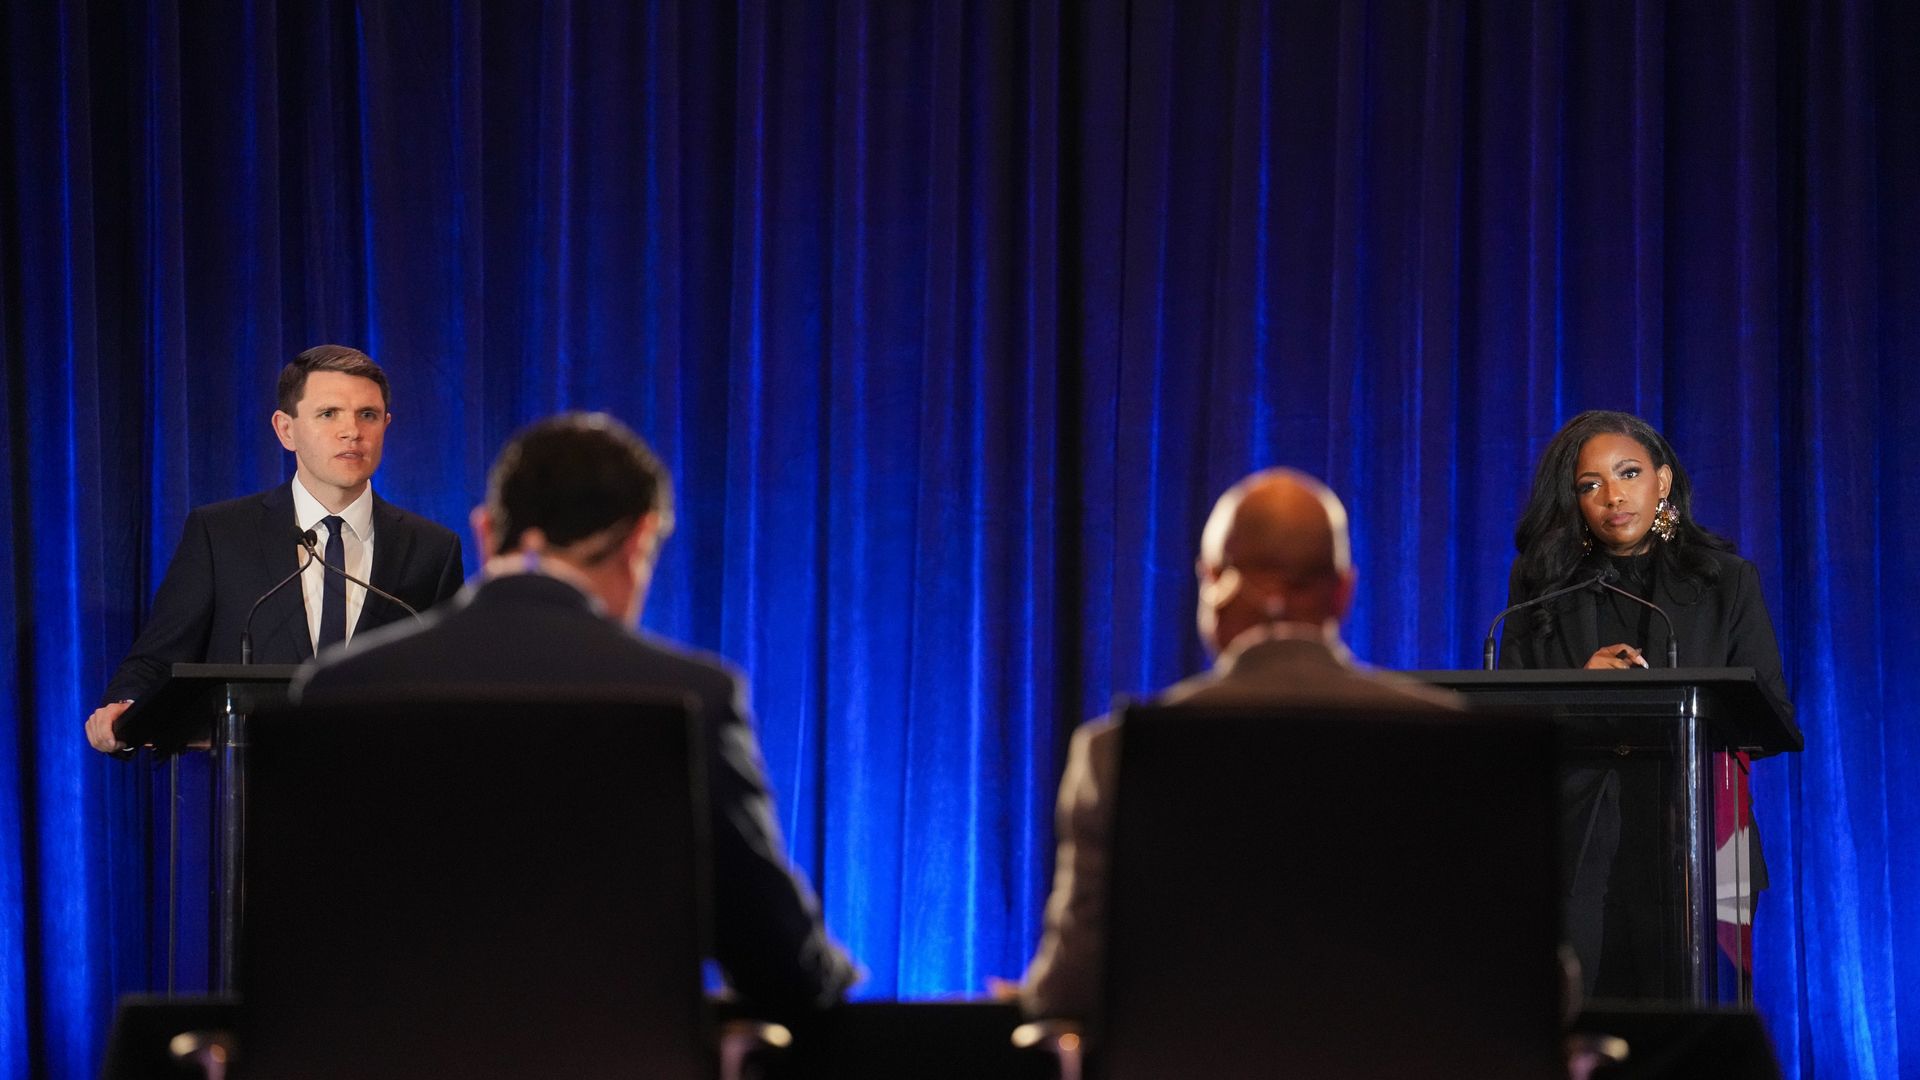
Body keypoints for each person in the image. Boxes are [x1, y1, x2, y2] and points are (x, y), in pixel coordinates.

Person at [296, 411, 858, 1015]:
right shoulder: (692, 694)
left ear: (486, 534)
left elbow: (299, 935)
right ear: (642, 539)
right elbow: (777, 957)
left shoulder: (336, 688)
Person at [1018, 468, 1459, 1022]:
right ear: (1344, 590)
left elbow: (1070, 989)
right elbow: (1538, 984)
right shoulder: (1455, 747)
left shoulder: (1115, 753)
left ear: (1215, 586)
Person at [1499, 409, 1792, 996]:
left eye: (1629, 473)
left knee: (1690, 1038)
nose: (1613, 496)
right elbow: (1510, 720)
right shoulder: (1541, 589)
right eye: (1590, 485)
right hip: (1576, 846)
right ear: (1575, 500)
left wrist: (1677, 701)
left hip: (1698, 841)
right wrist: (1578, 686)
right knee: (1578, 1033)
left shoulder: (1726, 582)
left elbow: (1773, 718)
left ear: (1662, 480)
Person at [85, 345, 465, 753]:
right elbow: (156, 661)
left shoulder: (433, 549)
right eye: (328, 413)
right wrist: (124, 710)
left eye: (367, 415)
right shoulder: (221, 534)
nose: (352, 431)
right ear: (286, 430)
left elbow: (452, 682)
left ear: (385, 425)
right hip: (251, 793)